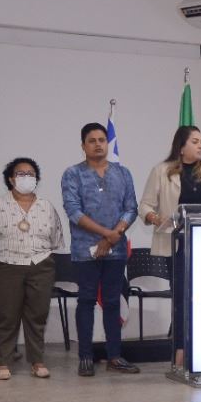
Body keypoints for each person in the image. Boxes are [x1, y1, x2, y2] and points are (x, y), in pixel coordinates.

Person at [140, 125, 201, 368]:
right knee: (182, 298)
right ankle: (180, 350)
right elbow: (145, 206)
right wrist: (157, 219)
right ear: (181, 146)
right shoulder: (162, 171)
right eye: (195, 141)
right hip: (177, 244)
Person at [62, 122, 140, 377]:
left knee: (111, 302)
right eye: (92, 140)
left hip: (116, 250)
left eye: (102, 140)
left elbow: (131, 208)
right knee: (85, 300)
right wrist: (107, 234)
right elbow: (74, 211)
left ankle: (115, 356)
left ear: (108, 143)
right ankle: (85, 356)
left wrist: (113, 236)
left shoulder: (123, 173)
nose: (98, 144)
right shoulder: (73, 174)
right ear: (83, 146)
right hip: (85, 251)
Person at [0, 157, 65, 380]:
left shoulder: (46, 206)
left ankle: (37, 361)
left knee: (37, 315)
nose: (26, 178)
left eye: (30, 174)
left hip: (41, 265)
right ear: (10, 178)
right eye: (21, 174)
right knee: (8, 315)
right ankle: (3, 362)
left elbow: (56, 239)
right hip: (6, 266)